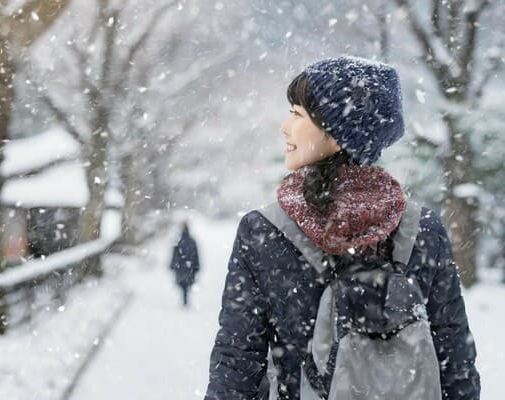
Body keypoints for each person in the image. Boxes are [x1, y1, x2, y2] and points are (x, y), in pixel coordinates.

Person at [204, 56, 480, 399]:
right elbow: (456, 362)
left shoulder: (264, 230)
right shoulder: (421, 229)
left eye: (296, 114)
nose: (284, 127)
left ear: (336, 136)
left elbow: (237, 364)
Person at [170, 221, 200, 307]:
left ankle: (184, 300)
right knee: (187, 284)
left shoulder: (178, 240)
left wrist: (173, 265)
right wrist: (196, 266)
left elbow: (175, 254)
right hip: (189, 266)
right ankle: (185, 299)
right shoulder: (192, 241)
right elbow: (196, 255)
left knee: (183, 284)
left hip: (181, 267)